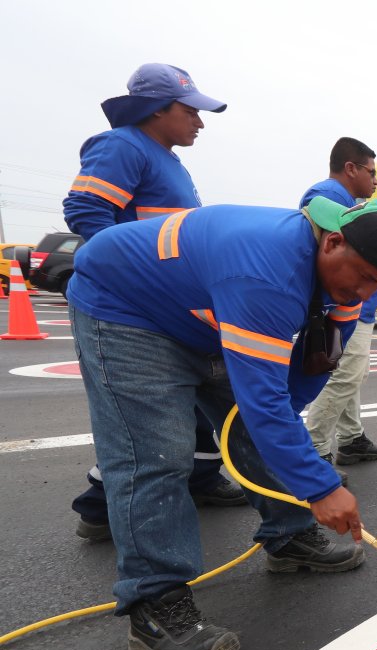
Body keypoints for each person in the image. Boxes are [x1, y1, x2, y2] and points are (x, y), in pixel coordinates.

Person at [68, 197, 377, 650]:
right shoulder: (266, 271)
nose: (365, 292)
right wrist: (319, 485)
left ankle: (289, 535)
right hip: (127, 309)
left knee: (259, 426)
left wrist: (284, 445)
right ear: (332, 242)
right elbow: (265, 403)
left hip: (203, 314)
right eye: (364, 277)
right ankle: (155, 604)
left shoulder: (355, 278)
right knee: (157, 457)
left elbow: (314, 364)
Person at [61, 63, 245, 542]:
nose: (199, 123)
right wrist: (136, 277)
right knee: (147, 429)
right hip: (137, 310)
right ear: (156, 110)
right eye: (190, 112)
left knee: (195, 408)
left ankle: (202, 480)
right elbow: (85, 209)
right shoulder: (124, 145)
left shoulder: (165, 155)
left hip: (170, 306)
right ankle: (99, 508)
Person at [302, 138, 377, 467]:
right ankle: (313, 450)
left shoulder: (343, 198)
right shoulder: (327, 196)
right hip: (345, 307)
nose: (374, 180)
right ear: (350, 168)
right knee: (345, 376)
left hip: (356, 306)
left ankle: (351, 439)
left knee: (351, 375)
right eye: (371, 172)